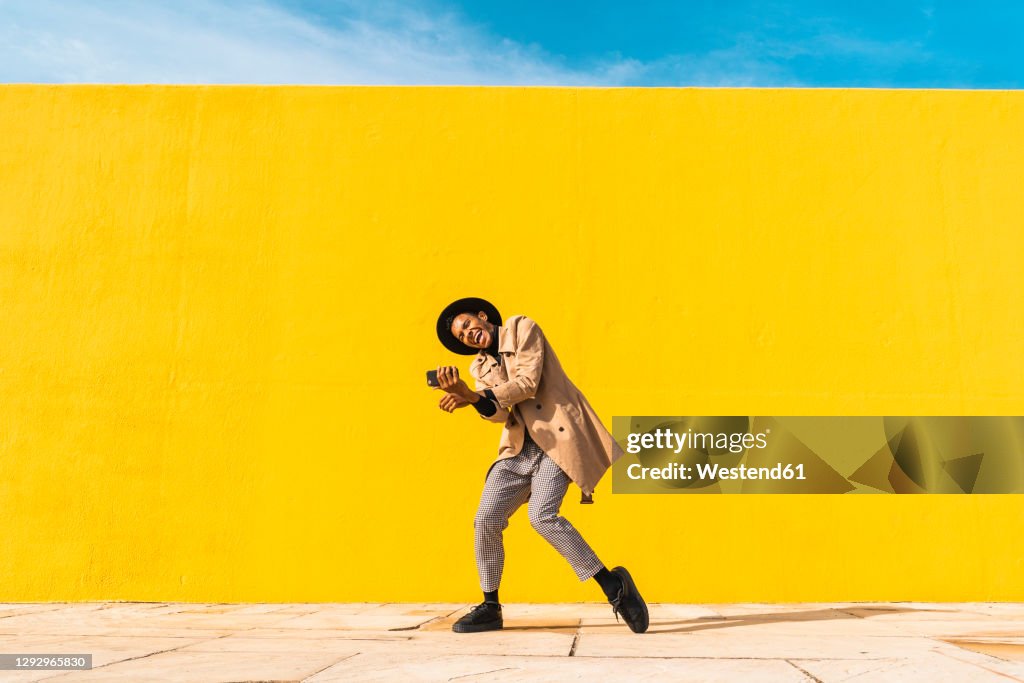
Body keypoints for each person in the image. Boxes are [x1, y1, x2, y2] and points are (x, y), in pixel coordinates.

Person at [433, 296, 649, 634]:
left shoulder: (521, 327)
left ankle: (612, 586)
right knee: (486, 518)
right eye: (461, 337)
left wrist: (474, 397)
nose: (468, 335)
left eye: (467, 326)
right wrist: (471, 400)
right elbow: (501, 414)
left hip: (557, 440)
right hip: (518, 448)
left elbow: (527, 383)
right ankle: (491, 606)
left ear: (481, 316)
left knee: (542, 516)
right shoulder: (478, 368)